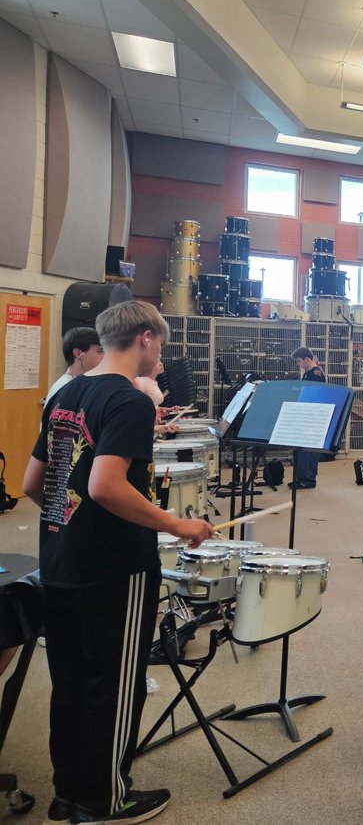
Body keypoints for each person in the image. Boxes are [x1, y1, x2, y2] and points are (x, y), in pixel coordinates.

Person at [23, 300, 214, 825]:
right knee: (113, 683)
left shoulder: (68, 394)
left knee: (70, 682)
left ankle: (70, 793)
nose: (162, 359)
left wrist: (74, 522)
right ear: (147, 339)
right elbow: (105, 486)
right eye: (163, 348)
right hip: (114, 568)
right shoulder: (127, 400)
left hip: (59, 556)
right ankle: (107, 800)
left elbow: (33, 484)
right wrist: (180, 525)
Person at [289, 347, 325, 489]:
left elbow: (314, 394)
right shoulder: (308, 373)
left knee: (308, 451)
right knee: (302, 449)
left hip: (312, 416)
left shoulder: (315, 373)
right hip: (306, 415)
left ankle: (308, 479)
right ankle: (302, 477)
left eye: (299, 361)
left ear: (307, 359)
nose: (298, 364)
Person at [46, 327, 103, 402]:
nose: (104, 356)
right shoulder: (66, 388)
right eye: (100, 351)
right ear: (78, 353)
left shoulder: (78, 384)